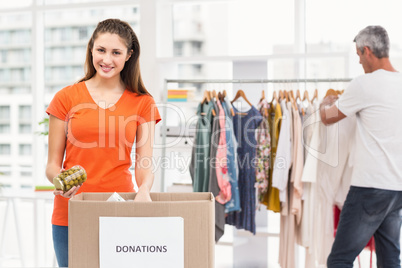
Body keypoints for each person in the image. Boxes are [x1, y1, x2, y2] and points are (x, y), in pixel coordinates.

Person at [45, 18, 161, 267]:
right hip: (71, 211)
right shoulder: (65, 98)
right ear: (91, 50)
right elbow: (52, 165)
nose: (107, 60)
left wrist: (143, 191)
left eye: (116, 52)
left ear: (129, 55)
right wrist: (60, 181)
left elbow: (145, 163)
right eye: (101, 50)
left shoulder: (143, 103)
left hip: (120, 209)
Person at [320, 25, 402, 267]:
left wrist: (326, 102)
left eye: (358, 55)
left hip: (369, 188)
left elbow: (328, 118)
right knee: (390, 259)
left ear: (367, 51)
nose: (358, 62)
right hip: (396, 189)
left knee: (339, 260)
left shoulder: (364, 84)